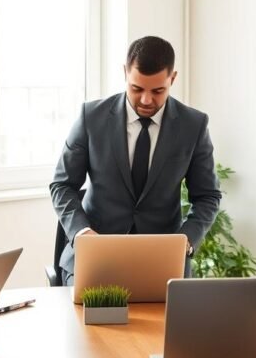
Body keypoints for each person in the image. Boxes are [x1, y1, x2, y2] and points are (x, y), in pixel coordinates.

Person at [51, 36, 221, 284]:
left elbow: (208, 196)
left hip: (164, 263)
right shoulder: (91, 118)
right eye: (137, 88)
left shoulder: (193, 126)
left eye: (158, 91)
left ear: (172, 78)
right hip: (95, 259)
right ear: (125, 73)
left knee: (166, 324)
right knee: (97, 322)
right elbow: (62, 185)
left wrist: (185, 240)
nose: (146, 100)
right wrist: (81, 232)